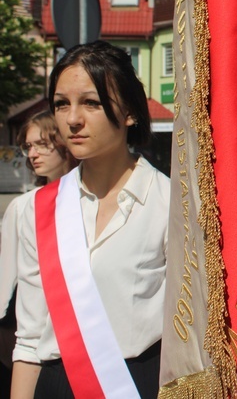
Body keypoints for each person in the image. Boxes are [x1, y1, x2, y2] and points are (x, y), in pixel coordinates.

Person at [11, 41, 170, 398]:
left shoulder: (171, 205)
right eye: (61, 104)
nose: (72, 119)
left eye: (91, 103)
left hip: (135, 385)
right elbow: (30, 338)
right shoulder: (36, 208)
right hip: (54, 386)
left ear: (130, 111)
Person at [0, 111, 77, 396]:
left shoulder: (95, 200)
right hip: (38, 348)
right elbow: (6, 285)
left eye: (41, 144)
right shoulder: (23, 208)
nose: (32, 153)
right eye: (28, 146)